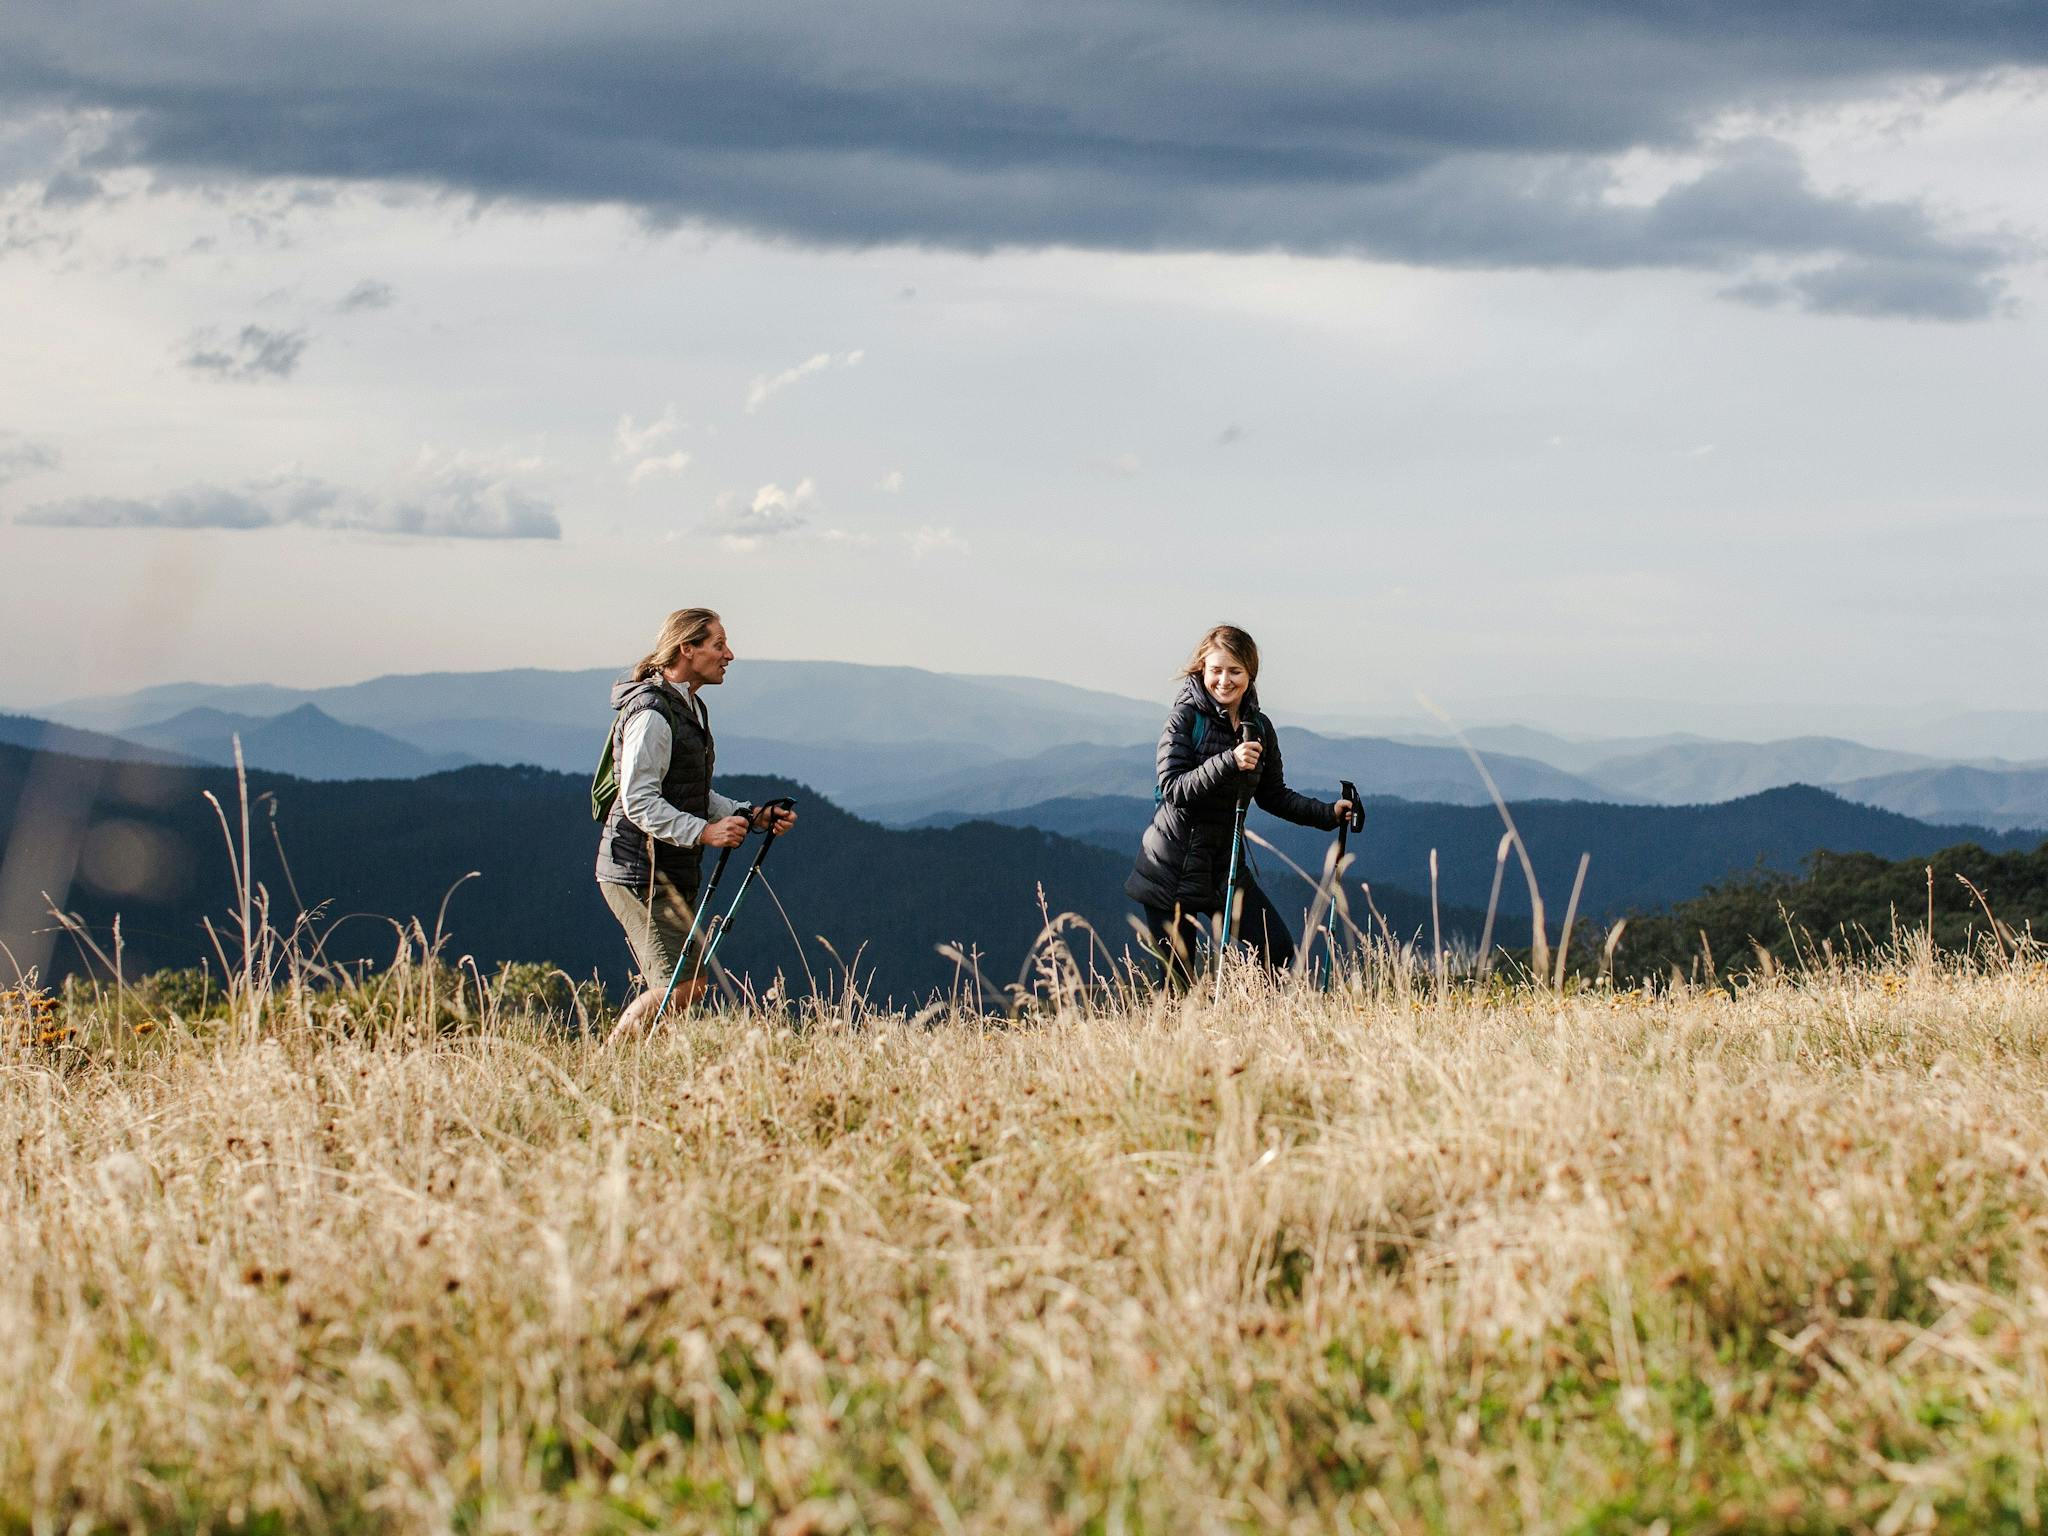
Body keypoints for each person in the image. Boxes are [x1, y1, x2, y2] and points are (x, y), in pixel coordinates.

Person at [597, 608, 796, 1038]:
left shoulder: (687, 706)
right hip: (638, 868)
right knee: (681, 986)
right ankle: (609, 1065)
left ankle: (630, 1069)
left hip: (664, 866)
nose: (730, 655)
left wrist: (750, 816)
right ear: (687, 648)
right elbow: (638, 799)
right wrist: (705, 833)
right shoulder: (652, 713)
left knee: (684, 986)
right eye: (719, 644)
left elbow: (689, 793)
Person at [1125, 624, 1354, 986]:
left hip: (1225, 866)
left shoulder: (1259, 727)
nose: (1224, 680)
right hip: (1170, 870)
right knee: (1175, 989)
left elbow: (1274, 795)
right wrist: (1229, 761)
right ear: (1202, 669)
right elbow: (1173, 788)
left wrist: (1329, 813)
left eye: (1235, 671)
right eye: (1216, 670)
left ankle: (1260, 1033)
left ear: (1250, 674)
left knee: (1277, 953)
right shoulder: (1184, 719)